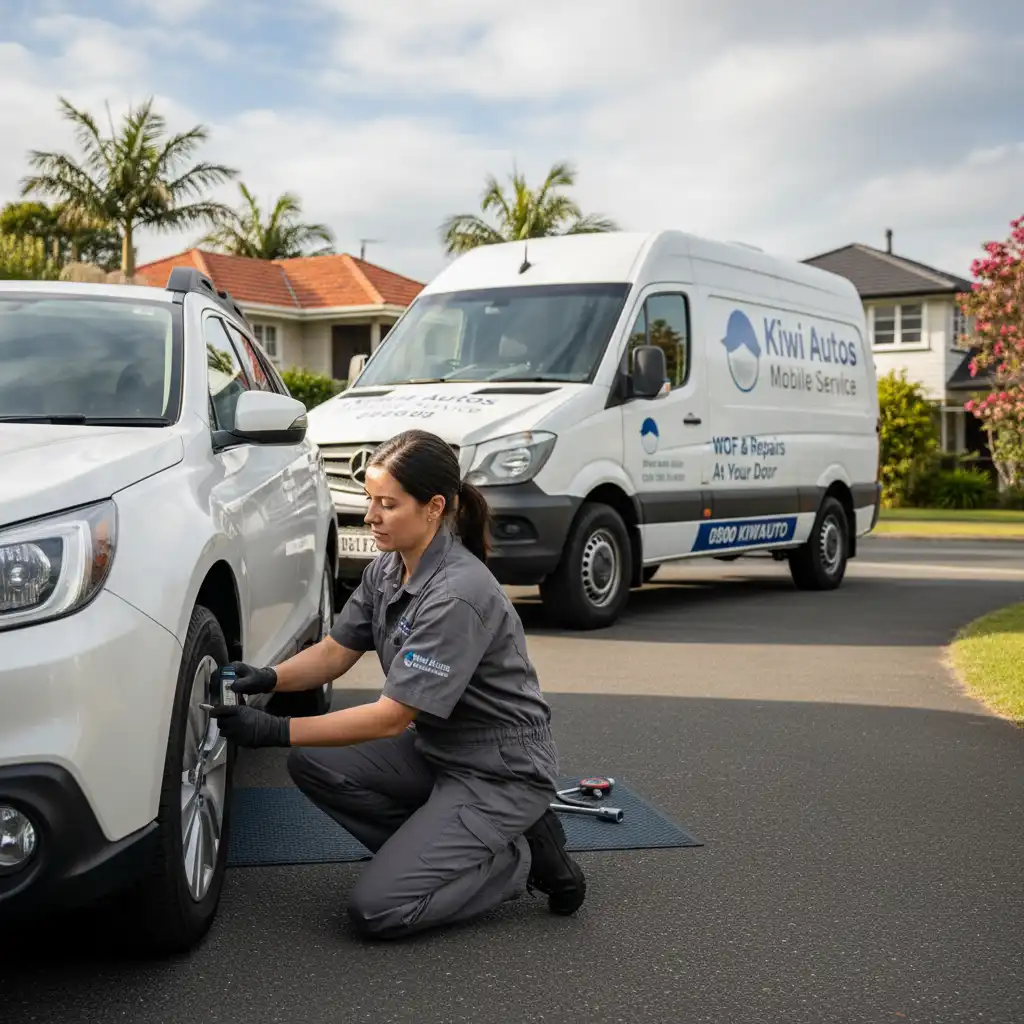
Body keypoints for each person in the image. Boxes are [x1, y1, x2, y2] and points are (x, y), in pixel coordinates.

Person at [209, 428, 586, 940]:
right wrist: (270, 676)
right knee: (311, 761)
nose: (370, 516)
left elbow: (390, 717)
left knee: (378, 909)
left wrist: (271, 729)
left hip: (500, 772)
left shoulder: (455, 595)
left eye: (388, 504)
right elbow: (336, 652)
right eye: (370, 500)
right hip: (438, 751)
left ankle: (517, 856)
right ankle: (449, 844)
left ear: (434, 508)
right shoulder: (389, 568)